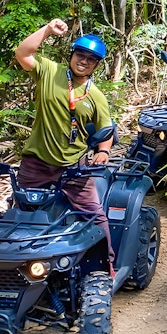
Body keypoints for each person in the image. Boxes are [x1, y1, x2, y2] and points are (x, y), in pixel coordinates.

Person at [14, 18, 115, 273]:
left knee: (94, 214)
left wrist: (103, 151)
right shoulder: (50, 71)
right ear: (72, 55)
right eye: (80, 54)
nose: (84, 61)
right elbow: (22, 53)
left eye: (91, 59)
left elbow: (106, 129)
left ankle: (107, 268)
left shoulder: (96, 96)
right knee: (20, 213)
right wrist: (47, 30)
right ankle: (15, 266)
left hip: (74, 168)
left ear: (96, 65)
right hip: (36, 162)